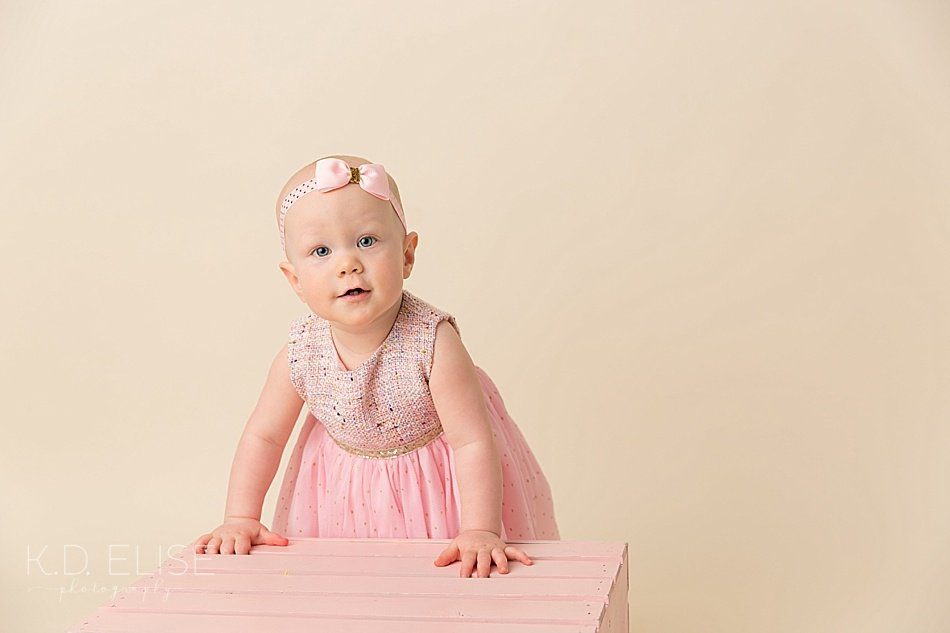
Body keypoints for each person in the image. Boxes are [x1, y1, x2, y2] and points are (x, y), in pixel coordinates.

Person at [193, 155, 559, 579]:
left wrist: (479, 528)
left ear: (407, 255)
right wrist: (240, 516)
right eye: (321, 251)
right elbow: (264, 435)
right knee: (348, 588)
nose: (347, 263)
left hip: (436, 487)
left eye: (366, 241)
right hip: (338, 490)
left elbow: (472, 442)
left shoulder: (433, 341)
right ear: (294, 280)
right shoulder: (301, 350)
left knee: (439, 587)